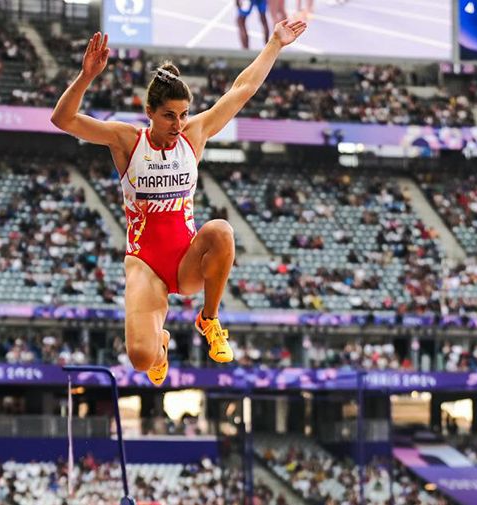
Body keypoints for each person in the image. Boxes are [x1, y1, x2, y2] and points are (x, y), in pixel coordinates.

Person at [50, 20, 307, 387]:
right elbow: (63, 119)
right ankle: (162, 344)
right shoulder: (127, 140)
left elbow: (242, 89)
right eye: (169, 115)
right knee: (141, 360)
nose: (178, 123)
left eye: (183, 114)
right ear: (150, 112)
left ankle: (210, 319)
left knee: (221, 230)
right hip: (146, 264)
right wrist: (86, 76)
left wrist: (275, 44)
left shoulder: (194, 135)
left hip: (186, 258)